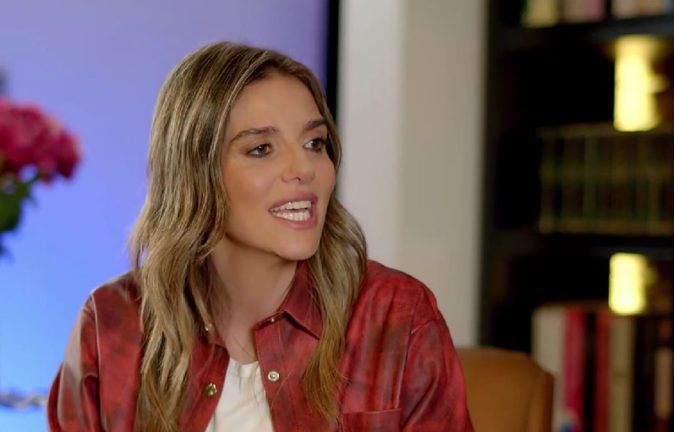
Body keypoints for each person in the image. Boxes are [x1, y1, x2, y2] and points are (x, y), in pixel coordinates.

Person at [47, 41, 474, 432]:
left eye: (314, 143)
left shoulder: (398, 316)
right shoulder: (111, 323)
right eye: (261, 149)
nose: (304, 169)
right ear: (195, 173)